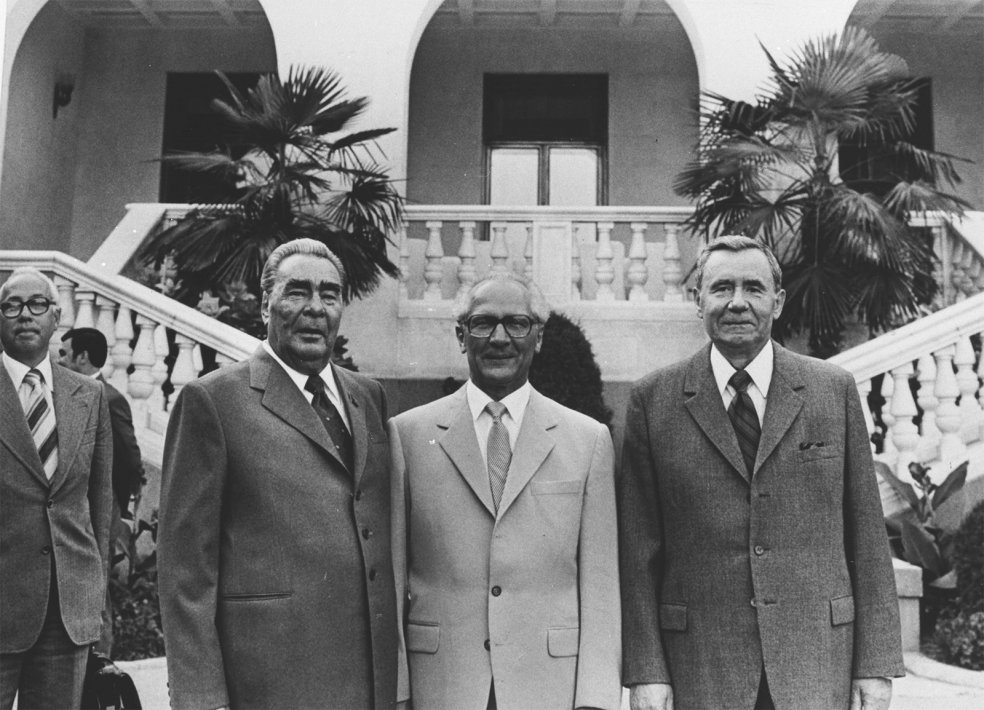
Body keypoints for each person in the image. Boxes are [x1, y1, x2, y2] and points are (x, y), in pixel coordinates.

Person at [618, 235, 904, 710]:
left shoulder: (832, 391)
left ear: (778, 300)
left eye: (753, 287)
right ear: (698, 301)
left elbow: (867, 536)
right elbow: (638, 550)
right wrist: (646, 671)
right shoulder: (654, 400)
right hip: (700, 666)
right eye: (721, 288)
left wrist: (875, 664)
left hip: (815, 660)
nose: (736, 303)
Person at [158, 238, 404, 710]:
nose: (315, 308)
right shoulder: (213, 401)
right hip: (268, 684)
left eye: (329, 294)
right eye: (297, 292)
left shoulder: (368, 396)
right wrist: (201, 698)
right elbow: (186, 572)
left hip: (367, 682)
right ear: (266, 303)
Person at [390, 273, 621, 710]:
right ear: (461, 335)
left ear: (538, 338)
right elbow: (396, 575)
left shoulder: (587, 440)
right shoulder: (409, 436)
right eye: (482, 323)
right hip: (441, 685)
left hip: (549, 685)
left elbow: (601, 586)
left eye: (517, 323)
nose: (500, 338)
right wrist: (399, 692)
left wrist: (596, 700)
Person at [0, 267, 113, 710]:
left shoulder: (89, 395)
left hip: (67, 613)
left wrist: (97, 599)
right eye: (11, 305)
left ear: (56, 317)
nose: (25, 314)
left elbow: (100, 505)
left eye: (37, 305)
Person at [59, 327, 144, 519]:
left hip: (100, 506)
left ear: (83, 356)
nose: (59, 360)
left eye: (64, 353)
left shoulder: (110, 400)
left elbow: (130, 456)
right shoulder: (64, 392)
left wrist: (125, 507)